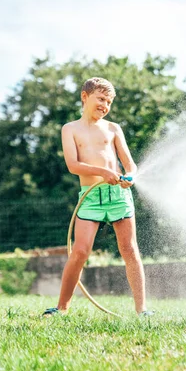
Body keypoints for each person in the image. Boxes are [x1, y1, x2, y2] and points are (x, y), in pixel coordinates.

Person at [43, 77, 152, 316]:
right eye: (101, 99)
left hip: (118, 195)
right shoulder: (70, 129)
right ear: (85, 97)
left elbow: (131, 166)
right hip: (90, 198)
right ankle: (61, 309)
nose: (105, 105)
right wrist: (103, 172)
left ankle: (142, 310)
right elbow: (73, 165)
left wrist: (129, 177)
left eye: (109, 102)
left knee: (130, 249)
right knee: (80, 251)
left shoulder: (113, 129)